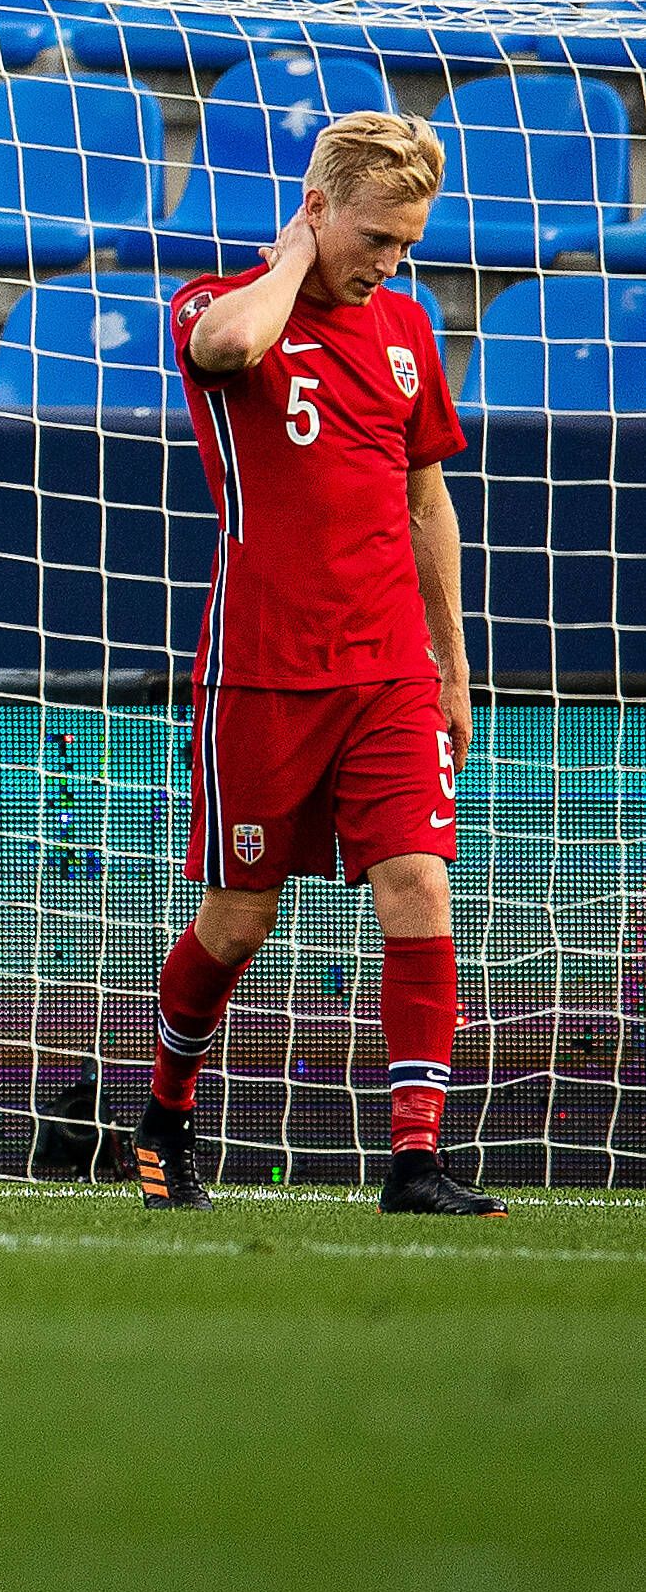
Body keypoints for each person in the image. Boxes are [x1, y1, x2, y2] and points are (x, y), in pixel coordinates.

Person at [133, 111, 495, 1216]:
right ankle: (164, 1115)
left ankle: (414, 1160)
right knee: (239, 919)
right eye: (374, 237)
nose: (388, 262)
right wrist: (294, 259)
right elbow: (227, 352)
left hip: (386, 663)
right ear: (317, 208)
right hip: (262, 670)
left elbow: (425, 492)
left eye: (405, 245)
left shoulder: (406, 330)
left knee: (418, 884)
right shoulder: (217, 305)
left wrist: (451, 660)